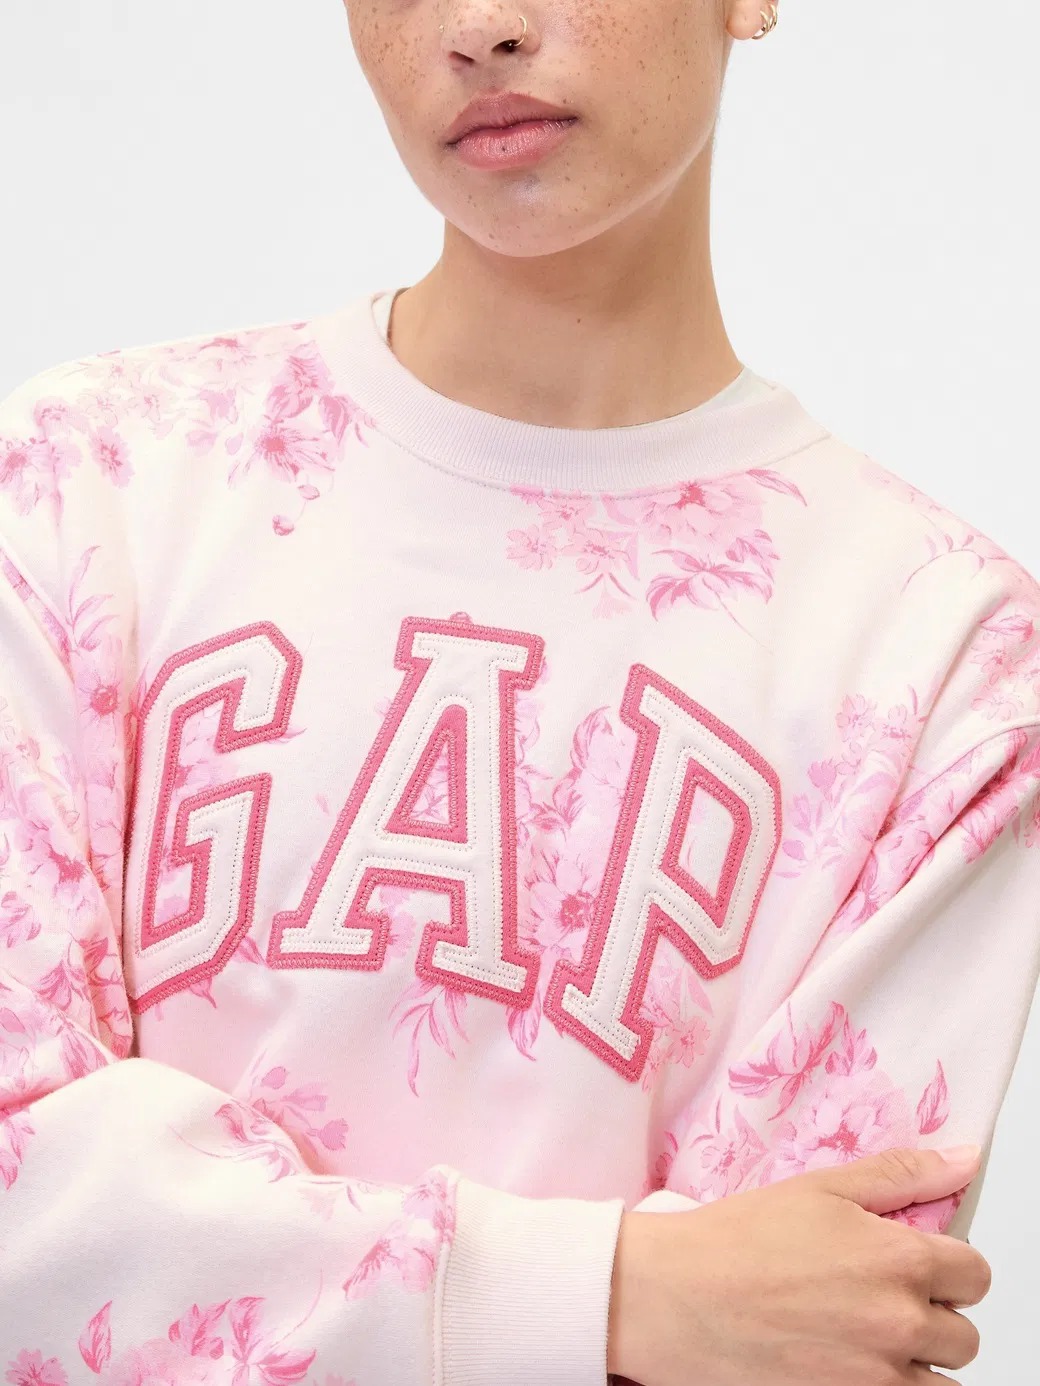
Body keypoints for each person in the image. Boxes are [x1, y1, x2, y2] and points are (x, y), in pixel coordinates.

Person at [0, 1, 1036, 1382]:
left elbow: (822, 1334)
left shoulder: (943, 659)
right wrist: (606, 1296)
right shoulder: (88, 486)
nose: (479, 24)